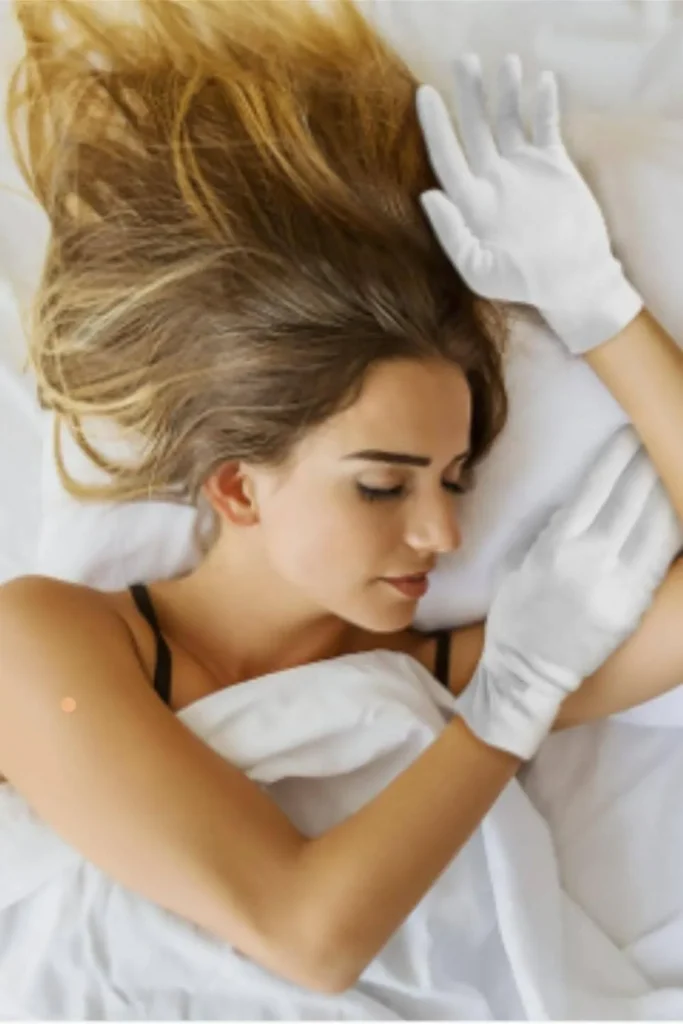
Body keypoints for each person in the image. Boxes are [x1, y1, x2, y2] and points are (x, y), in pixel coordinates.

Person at [0, 0, 681, 996]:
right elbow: (305, 934)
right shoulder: (43, 642)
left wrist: (596, 306)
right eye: (379, 483)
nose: (441, 531)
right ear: (238, 484)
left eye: (453, 478)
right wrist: (505, 709)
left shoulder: (426, 676)